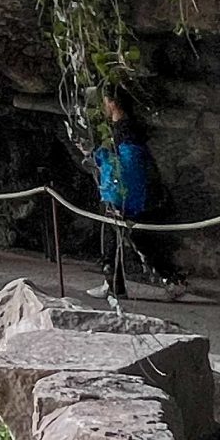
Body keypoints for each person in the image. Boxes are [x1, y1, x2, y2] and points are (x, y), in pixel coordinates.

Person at [91, 89, 172, 298]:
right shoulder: (127, 130)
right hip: (128, 193)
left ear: (112, 104)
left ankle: (116, 283)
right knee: (137, 238)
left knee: (122, 238)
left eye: (105, 102)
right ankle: (169, 279)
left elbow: (128, 165)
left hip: (122, 194)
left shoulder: (123, 132)